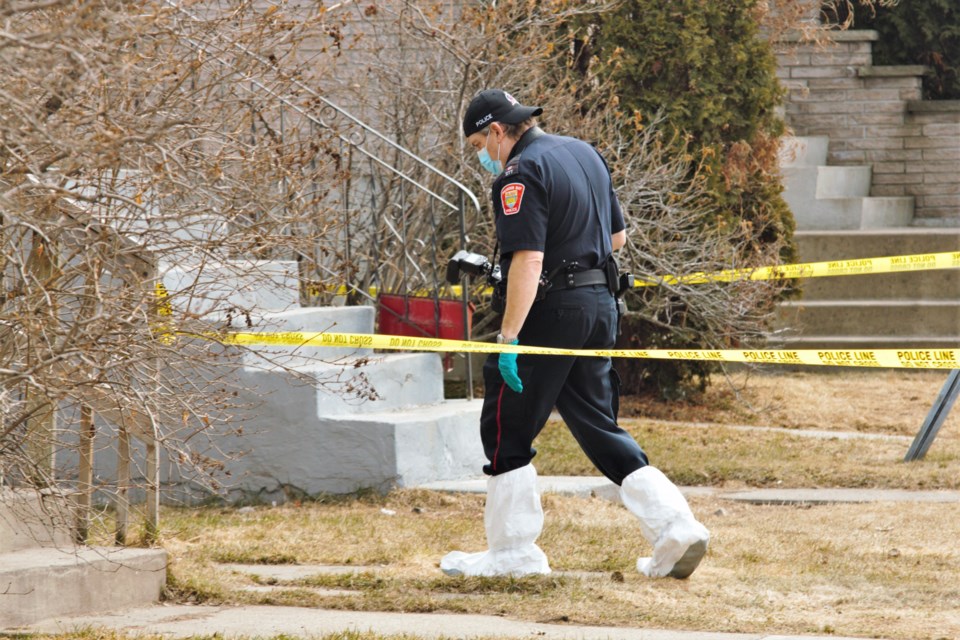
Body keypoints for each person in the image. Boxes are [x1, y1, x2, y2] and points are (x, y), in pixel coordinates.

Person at [440, 89, 710, 580]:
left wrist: (508, 337)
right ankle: (676, 526)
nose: (483, 154)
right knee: (596, 422)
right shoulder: (584, 153)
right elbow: (616, 239)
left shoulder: (518, 175)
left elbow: (529, 259)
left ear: (498, 131)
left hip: (550, 311)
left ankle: (511, 552)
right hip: (599, 306)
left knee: (506, 425)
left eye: (481, 142)